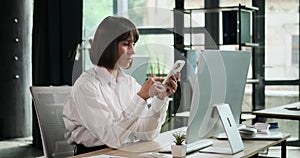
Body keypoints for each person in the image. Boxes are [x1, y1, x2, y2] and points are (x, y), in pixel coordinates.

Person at [63, 16, 180, 155]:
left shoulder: (128, 82)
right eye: (126, 44)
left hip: (125, 152)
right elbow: (112, 138)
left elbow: (146, 134)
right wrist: (141, 97)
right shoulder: (86, 86)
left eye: (134, 44)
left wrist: (160, 98)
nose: (133, 51)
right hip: (95, 154)